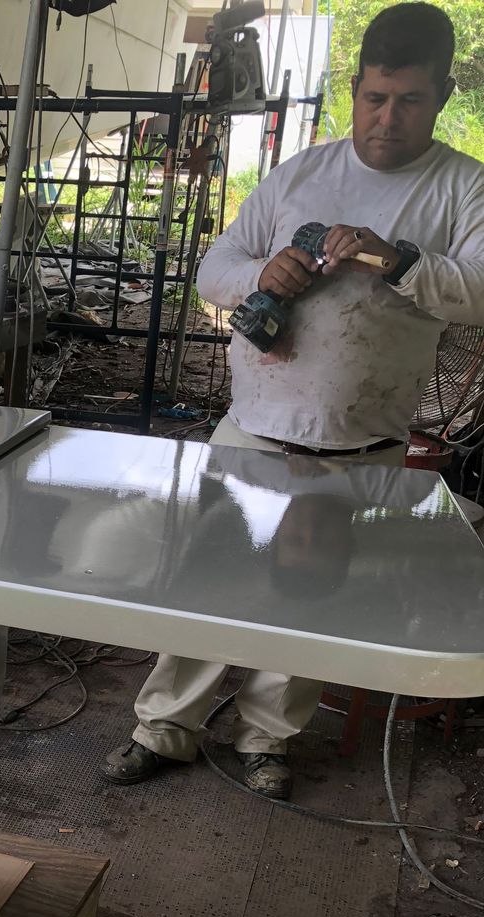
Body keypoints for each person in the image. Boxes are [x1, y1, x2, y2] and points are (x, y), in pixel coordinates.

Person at [104, 0, 484, 801]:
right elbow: (215, 270)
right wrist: (261, 273)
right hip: (256, 429)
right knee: (208, 578)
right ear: (355, 88)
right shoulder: (301, 174)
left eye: (409, 101)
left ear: (443, 95)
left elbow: (481, 291)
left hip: (365, 443)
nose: (387, 119)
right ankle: (164, 727)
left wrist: (398, 260)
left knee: (316, 600)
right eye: (374, 98)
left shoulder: (462, 187)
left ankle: (267, 739)